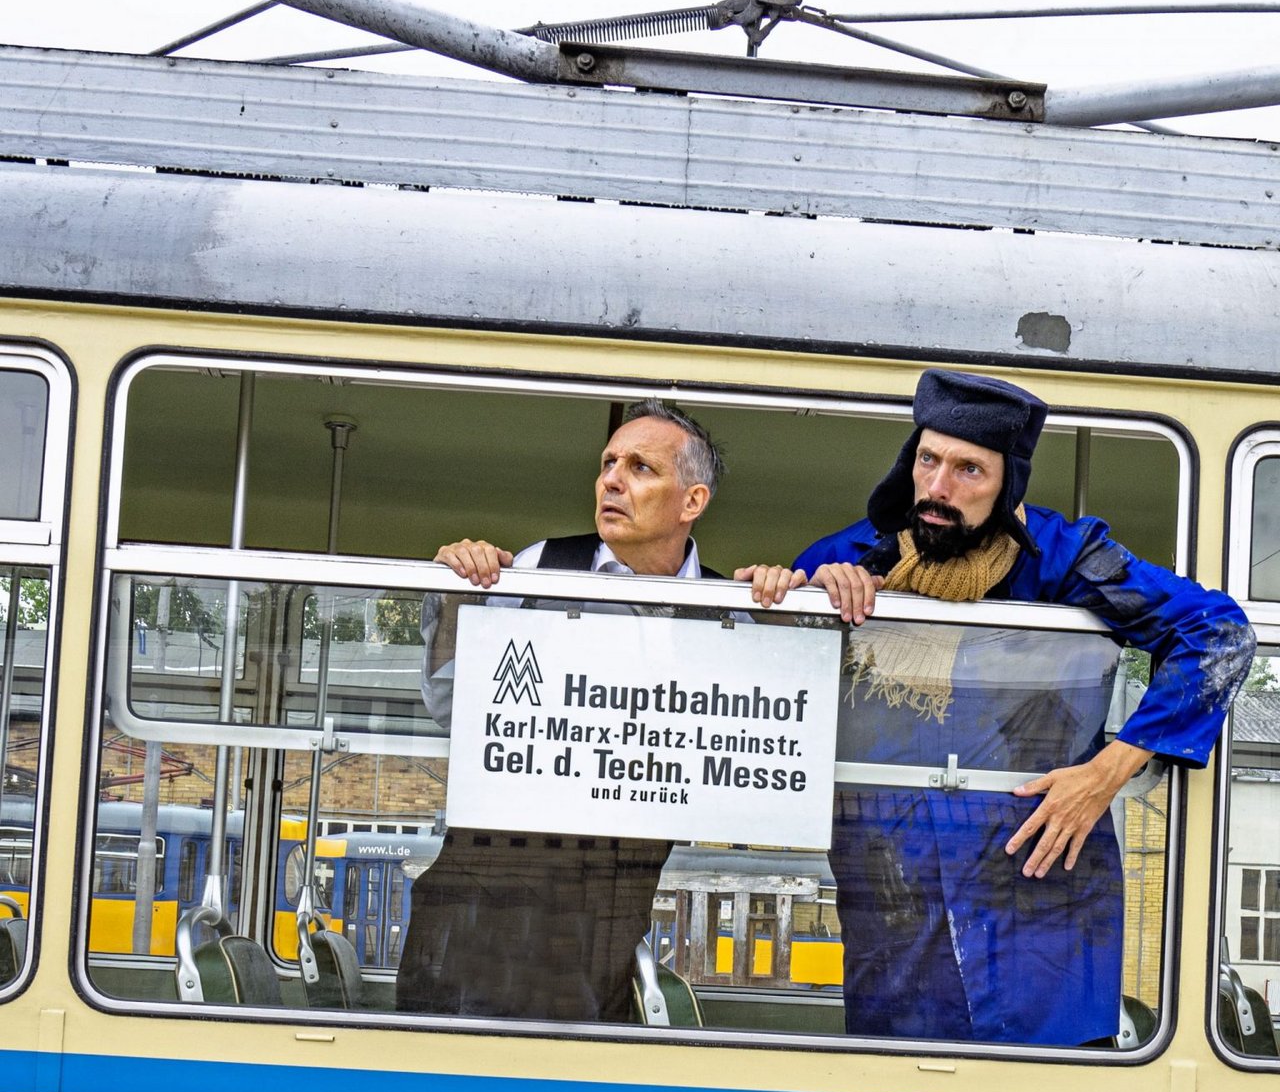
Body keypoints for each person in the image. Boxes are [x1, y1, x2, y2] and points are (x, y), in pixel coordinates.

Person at [738, 368, 1255, 1045]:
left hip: (1041, 909)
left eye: (967, 471)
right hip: (897, 909)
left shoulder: (1066, 559)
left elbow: (1218, 634)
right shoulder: (852, 555)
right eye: (927, 461)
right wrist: (793, 597)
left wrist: (1109, 770)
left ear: (1007, 485)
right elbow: (764, 703)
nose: (938, 488)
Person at [396, 398, 726, 1022]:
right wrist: (454, 593)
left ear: (692, 501)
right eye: (607, 463)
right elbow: (451, 703)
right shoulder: (537, 567)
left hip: (605, 932)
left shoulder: (724, 611)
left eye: (640, 467)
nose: (611, 479)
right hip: (472, 919)